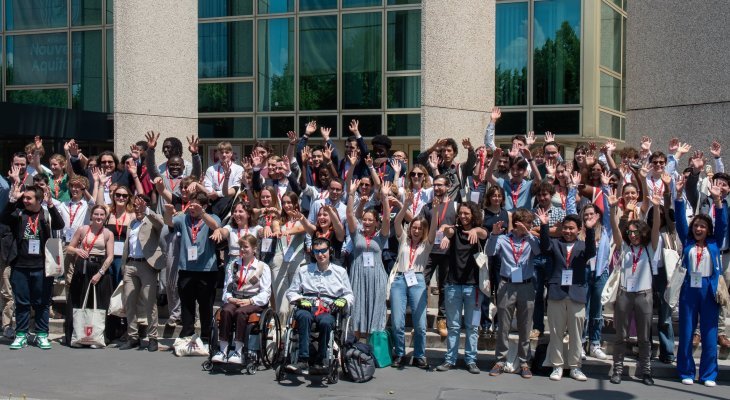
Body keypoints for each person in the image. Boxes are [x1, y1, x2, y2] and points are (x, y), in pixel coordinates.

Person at [674, 177, 725, 387]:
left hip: (709, 289)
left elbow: (723, 224)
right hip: (689, 290)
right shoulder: (687, 241)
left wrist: (718, 201)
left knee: (710, 334)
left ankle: (708, 375)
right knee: (686, 332)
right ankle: (686, 370)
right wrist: (678, 196)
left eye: (703, 226)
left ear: (708, 229)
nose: (698, 229)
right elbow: (680, 220)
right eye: (696, 225)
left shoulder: (715, 242)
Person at [607, 189, 661, 385]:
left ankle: (646, 371)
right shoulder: (624, 246)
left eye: (635, 232)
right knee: (620, 335)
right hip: (624, 294)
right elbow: (614, 229)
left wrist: (655, 207)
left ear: (642, 232)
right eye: (629, 232)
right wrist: (613, 209)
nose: (632, 235)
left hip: (644, 295)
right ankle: (618, 370)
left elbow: (655, 229)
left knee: (644, 337)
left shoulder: (649, 247)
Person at [537, 211, 597, 382]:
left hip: (577, 294)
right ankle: (557, 366)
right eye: (565, 228)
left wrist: (590, 229)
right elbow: (544, 246)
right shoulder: (555, 244)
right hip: (557, 293)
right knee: (555, 332)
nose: (568, 231)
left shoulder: (583, 246)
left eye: (572, 228)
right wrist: (544, 225)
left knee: (576, 334)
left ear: (578, 230)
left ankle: (575, 366)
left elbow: (592, 252)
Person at [4, 184, 65, 350]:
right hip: (20, 266)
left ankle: (41, 334)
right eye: (24, 198)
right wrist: (12, 200)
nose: (25, 200)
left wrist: (51, 204)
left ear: (39, 200)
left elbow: (59, 225)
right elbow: (3, 219)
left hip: (42, 266)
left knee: (42, 302)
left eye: (28, 198)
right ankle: (21, 334)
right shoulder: (19, 213)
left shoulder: (46, 215)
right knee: (22, 302)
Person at [285, 237, 354, 375]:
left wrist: (343, 301)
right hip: (307, 305)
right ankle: (303, 360)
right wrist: (299, 300)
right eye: (317, 251)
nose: (320, 254)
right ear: (313, 253)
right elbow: (291, 292)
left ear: (330, 251)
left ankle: (321, 359)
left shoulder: (340, 272)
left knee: (326, 322)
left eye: (323, 251)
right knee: (303, 317)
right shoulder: (304, 270)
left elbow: (349, 295)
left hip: (328, 308)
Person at [487, 208, 541, 379]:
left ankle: (524, 361)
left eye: (531, 224)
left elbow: (538, 252)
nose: (529, 227)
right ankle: (500, 360)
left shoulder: (531, 239)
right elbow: (489, 252)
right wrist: (494, 235)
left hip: (526, 285)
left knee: (525, 325)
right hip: (507, 284)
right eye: (527, 224)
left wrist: (530, 235)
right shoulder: (503, 239)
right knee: (504, 324)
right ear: (517, 224)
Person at [435, 201, 487, 374]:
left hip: (473, 287)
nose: (463, 216)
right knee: (454, 326)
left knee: (472, 326)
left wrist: (474, 230)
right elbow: (447, 230)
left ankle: (471, 360)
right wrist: (444, 233)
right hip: (453, 285)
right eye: (461, 213)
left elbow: (484, 232)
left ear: (473, 214)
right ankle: (450, 359)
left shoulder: (477, 232)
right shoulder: (455, 230)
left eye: (467, 213)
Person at [163, 192, 221, 341]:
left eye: (196, 205)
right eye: (190, 204)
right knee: (187, 305)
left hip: (207, 270)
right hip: (186, 269)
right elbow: (169, 223)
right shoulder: (183, 218)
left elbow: (215, 227)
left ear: (205, 206)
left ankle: (206, 335)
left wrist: (202, 213)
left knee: (206, 306)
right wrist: (168, 213)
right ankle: (187, 333)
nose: (192, 208)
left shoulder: (212, 217)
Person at [390, 192, 438, 369]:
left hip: (417, 279)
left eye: (419, 228)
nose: (416, 230)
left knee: (419, 322)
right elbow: (396, 222)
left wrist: (437, 212)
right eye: (413, 227)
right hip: (400, 278)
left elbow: (433, 229)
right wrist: (405, 205)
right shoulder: (403, 240)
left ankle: (419, 354)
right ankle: (400, 353)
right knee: (397, 321)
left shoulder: (426, 244)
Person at [212, 234, 272, 364]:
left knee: (241, 312)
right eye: (241, 247)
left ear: (254, 249)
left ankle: (238, 351)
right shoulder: (233, 265)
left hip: (253, 300)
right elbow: (227, 287)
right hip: (236, 298)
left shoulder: (262, 267)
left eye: (246, 247)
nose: (243, 250)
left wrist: (250, 301)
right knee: (226, 311)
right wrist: (229, 298)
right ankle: (223, 349)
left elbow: (266, 293)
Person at [118, 195, 165, 351]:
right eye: (135, 205)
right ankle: (132, 337)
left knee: (149, 302)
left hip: (147, 265)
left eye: (140, 205)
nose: (137, 208)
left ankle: (153, 338)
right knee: (129, 302)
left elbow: (161, 223)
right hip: (131, 264)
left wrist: (148, 211)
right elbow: (127, 246)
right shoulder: (132, 223)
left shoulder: (152, 221)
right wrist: (124, 265)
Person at [64, 205, 115, 347]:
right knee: (79, 301)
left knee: (98, 303)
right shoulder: (82, 230)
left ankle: (96, 336)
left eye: (102, 215)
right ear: (91, 216)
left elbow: (110, 256)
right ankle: (77, 335)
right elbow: (69, 248)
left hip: (99, 268)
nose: (99, 217)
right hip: (82, 268)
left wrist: (100, 273)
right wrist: (77, 251)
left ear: (105, 217)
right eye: (96, 214)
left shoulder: (107, 233)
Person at [346, 179, 391, 337]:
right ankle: (357, 349)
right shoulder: (356, 234)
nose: (366, 222)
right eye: (364, 219)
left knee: (375, 310)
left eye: (370, 220)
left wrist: (384, 197)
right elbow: (350, 214)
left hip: (376, 277)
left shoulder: (381, 237)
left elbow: (387, 219)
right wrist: (351, 194)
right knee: (357, 309)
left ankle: (373, 350)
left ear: (375, 222)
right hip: (358, 275)